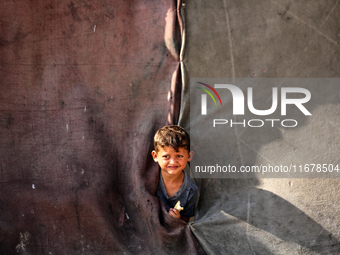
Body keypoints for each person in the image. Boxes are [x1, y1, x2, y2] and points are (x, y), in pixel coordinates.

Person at [152, 125, 199, 223]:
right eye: (166, 156)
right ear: (155, 156)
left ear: (189, 156)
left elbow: (185, 221)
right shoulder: (150, 178)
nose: (173, 162)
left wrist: (176, 220)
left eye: (179, 156)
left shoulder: (191, 190)